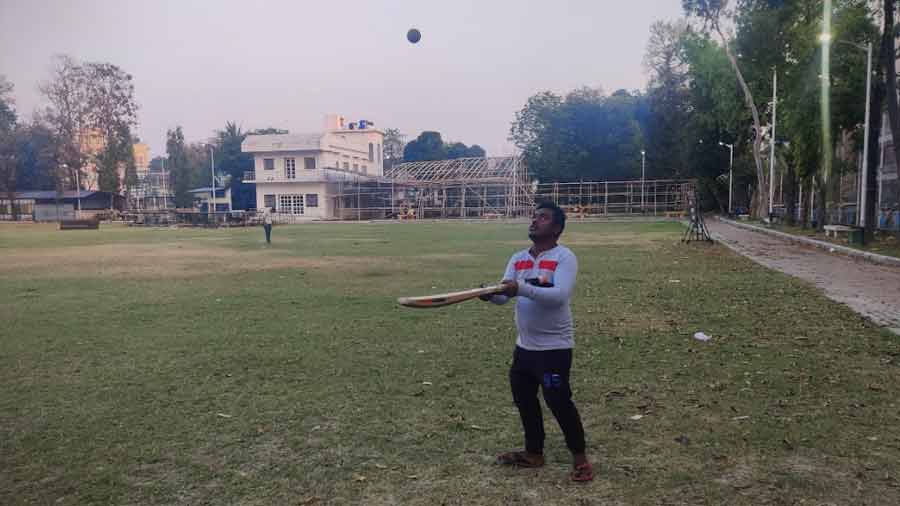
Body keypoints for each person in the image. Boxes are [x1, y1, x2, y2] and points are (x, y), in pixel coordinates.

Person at [480, 201, 593, 482]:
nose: (534, 220)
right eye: (534, 216)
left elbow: (559, 296)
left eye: (542, 218)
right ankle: (534, 452)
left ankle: (580, 459)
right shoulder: (518, 258)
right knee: (525, 400)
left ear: (556, 228)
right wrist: (490, 294)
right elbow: (504, 295)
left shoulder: (564, 257)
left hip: (554, 349)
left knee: (559, 402)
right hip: (525, 349)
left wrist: (522, 288)